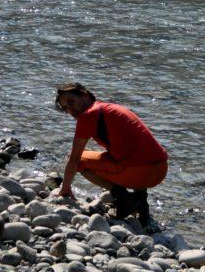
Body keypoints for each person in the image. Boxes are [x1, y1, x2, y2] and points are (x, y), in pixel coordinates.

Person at [53, 82, 167, 226]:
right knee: (124, 153)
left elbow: (75, 158)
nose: (71, 110)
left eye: (71, 102)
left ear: (84, 95)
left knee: (77, 160)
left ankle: (124, 198)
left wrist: (65, 188)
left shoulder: (88, 115)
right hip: (160, 169)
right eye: (66, 108)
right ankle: (141, 206)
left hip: (141, 173)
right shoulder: (109, 108)